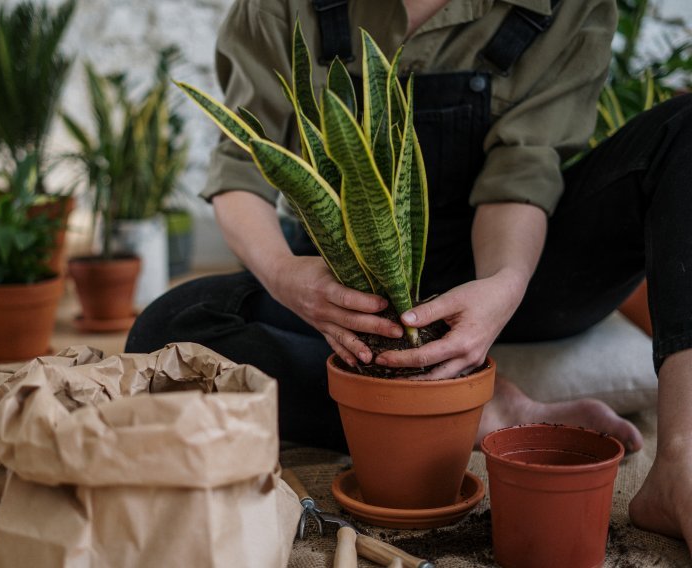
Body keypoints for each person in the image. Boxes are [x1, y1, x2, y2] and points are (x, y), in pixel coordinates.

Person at [126, 0, 692, 548]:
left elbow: (521, 171)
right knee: (168, 327)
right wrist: (284, 276)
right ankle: (480, 412)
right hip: (354, 287)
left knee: (684, 131)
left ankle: (682, 461)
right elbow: (243, 166)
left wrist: (504, 285)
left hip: (521, 268)